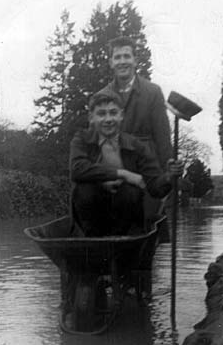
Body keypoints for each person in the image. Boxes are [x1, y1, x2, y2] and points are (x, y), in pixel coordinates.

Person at [70, 90, 183, 237]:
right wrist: (123, 174)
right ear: (91, 117)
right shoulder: (82, 140)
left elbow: (155, 187)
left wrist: (169, 176)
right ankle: (92, 242)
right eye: (101, 114)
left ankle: (124, 242)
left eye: (113, 112)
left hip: (127, 222)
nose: (108, 119)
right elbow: (77, 169)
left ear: (121, 115)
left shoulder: (137, 146)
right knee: (84, 189)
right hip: (91, 221)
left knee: (131, 191)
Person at [99, 36, 172, 171]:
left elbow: (163, 136)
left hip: (147, 168)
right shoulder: (102, 96)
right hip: (115, 170)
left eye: (127, 56)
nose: (122, 62)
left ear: (135, 61)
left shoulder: (152, 92)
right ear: (111, 63)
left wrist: (168, 173)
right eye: (117, 57)